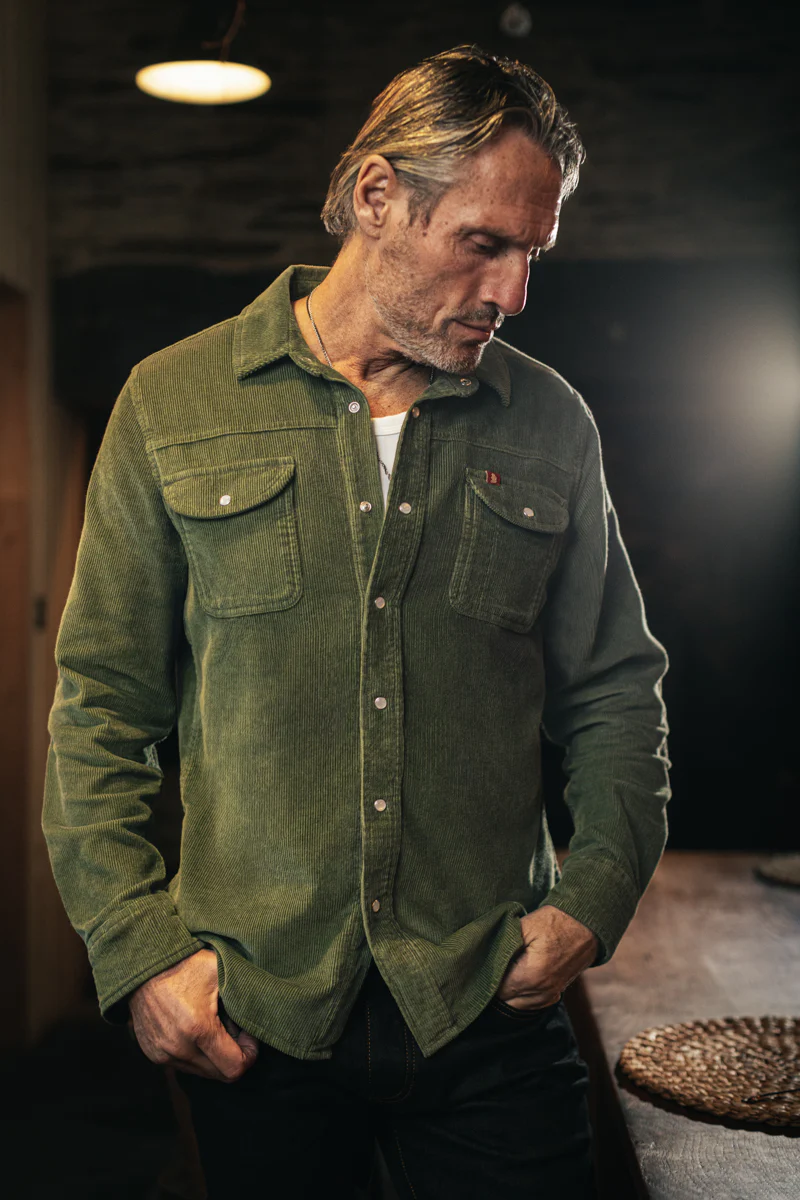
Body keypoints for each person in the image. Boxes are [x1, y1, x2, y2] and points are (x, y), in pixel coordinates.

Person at [43, 44, 671, 1200]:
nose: (510, 293)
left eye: (531, 254)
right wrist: (137, 953)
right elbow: (100, 710)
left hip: (488, 1010)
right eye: (482, 243)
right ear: (377, 196)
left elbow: (615, 695)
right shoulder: (170, 403)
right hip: (255, 1018)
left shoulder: (549, 422)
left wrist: (589, 902)